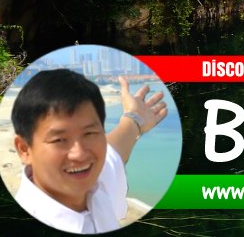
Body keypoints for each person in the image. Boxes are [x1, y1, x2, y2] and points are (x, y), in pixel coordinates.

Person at [11, 68, 168, 234]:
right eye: (59, 140)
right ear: (24, 149)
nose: (80, 154)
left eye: (90, 133)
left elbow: (113, 152)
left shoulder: (95, 183)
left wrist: (135, 118)